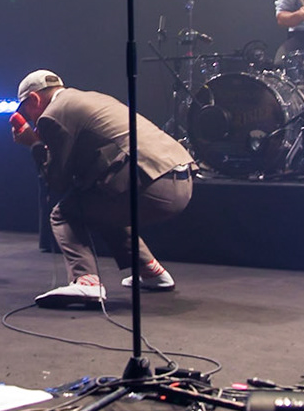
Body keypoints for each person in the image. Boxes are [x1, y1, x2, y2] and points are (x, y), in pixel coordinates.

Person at [10, 69, 193, 307]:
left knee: (64, 214)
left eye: (25, 110)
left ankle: (86, 281)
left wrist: (34, 145)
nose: (29, 117)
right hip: (180, 179)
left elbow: (57, 182)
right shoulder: (90, 98)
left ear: (34, 99)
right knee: (100, 205)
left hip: (153, 185)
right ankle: (151, 271)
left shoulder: (52, 115)